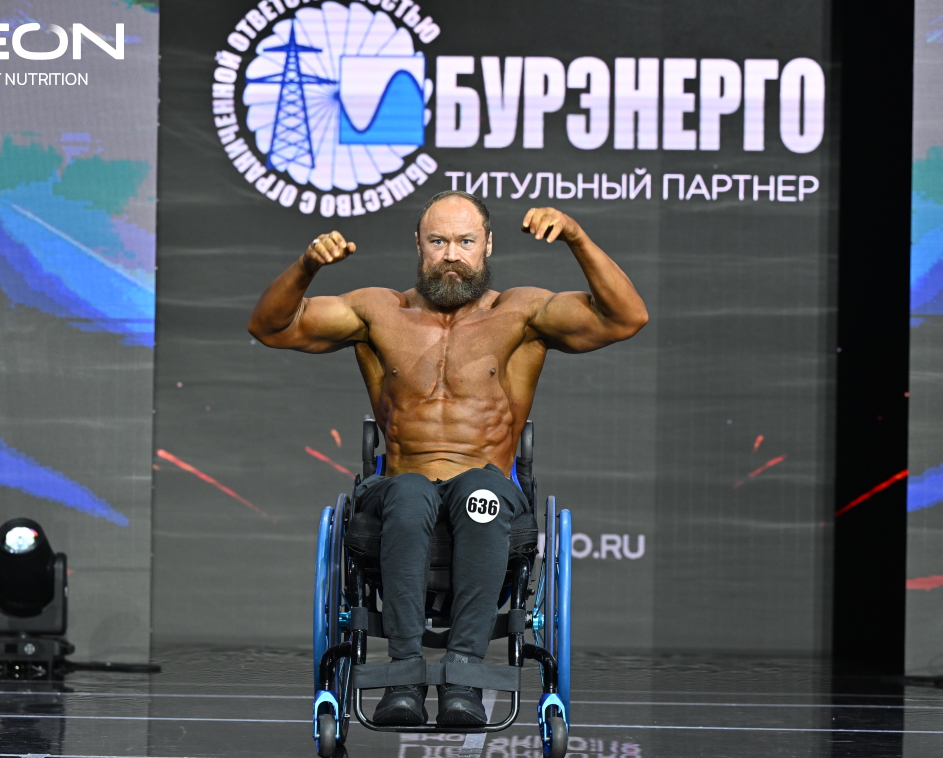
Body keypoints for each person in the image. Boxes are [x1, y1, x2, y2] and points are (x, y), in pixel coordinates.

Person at [248, 191, 648, 726]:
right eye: (438, 241)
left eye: (465, 241)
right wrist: (306, 266)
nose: (451, 254)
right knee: (411, 492)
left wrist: (576, 237)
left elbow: (626, 317)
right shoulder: (378, 311)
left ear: (488, 245)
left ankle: (465, 680)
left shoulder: (521, 313)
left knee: (480, 494)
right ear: (418, 244)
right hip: (400, 488)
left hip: (486, 486)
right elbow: (271, 327)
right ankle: (402, 679)